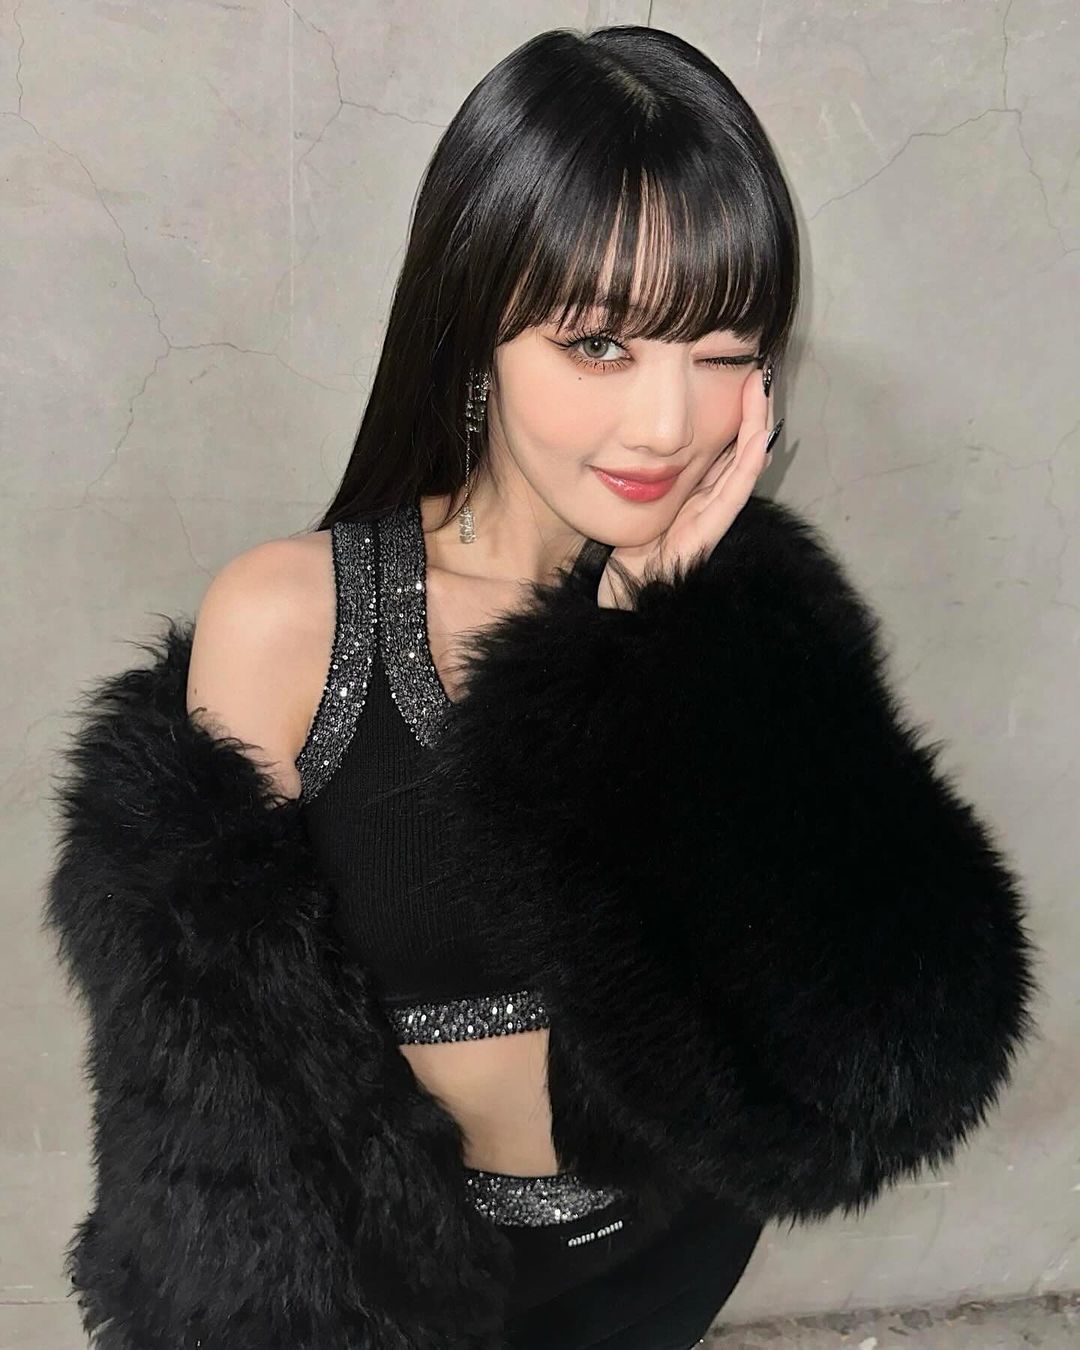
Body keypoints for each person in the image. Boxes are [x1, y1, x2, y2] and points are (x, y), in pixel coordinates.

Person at [42, 23, 1040, 1350]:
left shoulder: (751, 609)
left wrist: (650, 657)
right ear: (479, 326)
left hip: (663, 1262)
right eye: (600, 344)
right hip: (391, 1308)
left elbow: (875, 1080)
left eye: (723, 347)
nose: (667, 424)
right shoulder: (293, 624)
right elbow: (209, 1139)